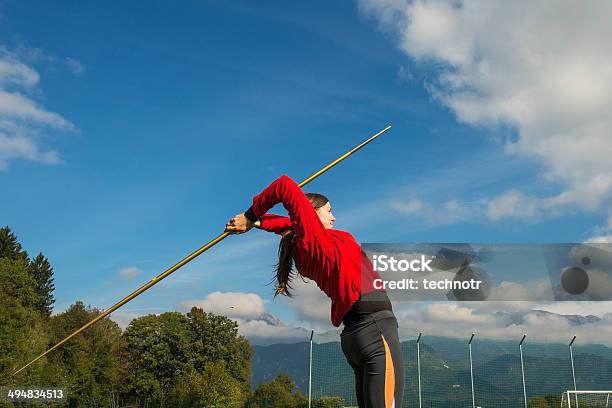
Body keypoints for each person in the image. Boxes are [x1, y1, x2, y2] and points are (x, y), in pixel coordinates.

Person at [225, 175, 404, 408]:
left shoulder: (306, 246)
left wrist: (257, 222)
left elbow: (289, 226)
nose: (334, 216)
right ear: (313, 214)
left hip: (356, 335)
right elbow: (284, 185)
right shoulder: (317, 241)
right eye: (329, 211)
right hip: (375, 328)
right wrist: (250, 215)